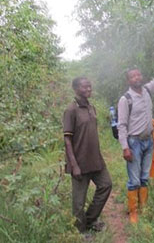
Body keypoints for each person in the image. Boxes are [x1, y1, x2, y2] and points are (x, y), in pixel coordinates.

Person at [117, 39, 154, 223]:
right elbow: (122, 125)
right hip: (133, 143)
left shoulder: (148, 90)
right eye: (132, 76)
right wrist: (125, 147)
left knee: (144, 178)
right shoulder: (125, 99)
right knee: (134, 180)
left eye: (138, 75)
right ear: (128, 80)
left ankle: (144, 209)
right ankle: (133, 213)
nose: (136, 78)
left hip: (148, 141)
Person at [62, 77, 112, 234]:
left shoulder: (91, 108)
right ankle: (81, 231)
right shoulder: (71, 110)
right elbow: (67, 140)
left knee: (106, 185)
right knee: (78, 201)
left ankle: (89, 220)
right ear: (76, 89)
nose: (89, 89)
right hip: (79, 162)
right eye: (85, 87)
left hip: (95, 160)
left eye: (90, 86)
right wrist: (74, 165)